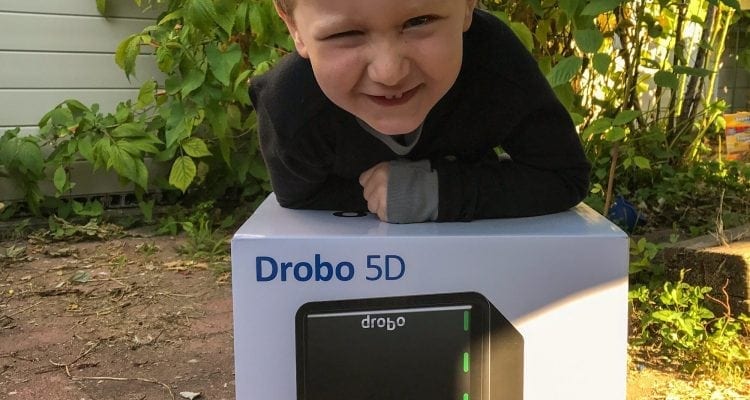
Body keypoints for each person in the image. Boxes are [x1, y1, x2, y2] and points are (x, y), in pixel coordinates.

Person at [250, 0, 591, 223]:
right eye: (346, 33)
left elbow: (564, 175)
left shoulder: (498, 68)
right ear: (295, 28)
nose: (389, 72)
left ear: (468, 5)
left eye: (419, 21)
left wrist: (435, 191)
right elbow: (299, 196)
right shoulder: (289, 109)